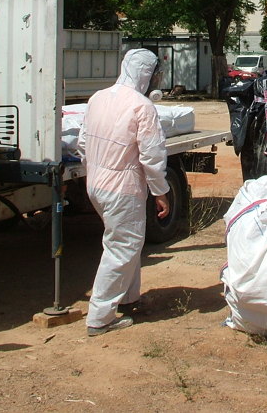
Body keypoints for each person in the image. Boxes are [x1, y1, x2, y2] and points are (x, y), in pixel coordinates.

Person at [77, 49, 169, 336]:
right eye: (155, 74)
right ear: (146, 74)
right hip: (123, 189)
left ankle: (129, 298)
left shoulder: (98, 97)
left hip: (96, 185)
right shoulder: (142, 106)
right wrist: (160, 191)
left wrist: (95, 171)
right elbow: (152, 156)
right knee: (122, 248)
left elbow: (82, 143)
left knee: (126, 243)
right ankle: (100, 317)